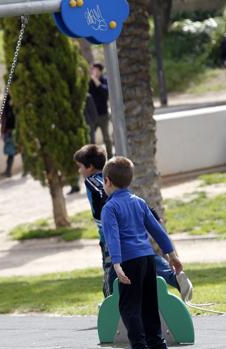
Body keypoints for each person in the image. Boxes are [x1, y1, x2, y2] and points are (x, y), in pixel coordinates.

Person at [73, 145, 192, 300]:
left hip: (110, 233)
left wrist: (110, 202)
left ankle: (111, 304)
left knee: (111, 271)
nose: (79, 171)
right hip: (132, 233)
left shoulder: (93, 181)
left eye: (80, 167)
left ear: (89, 167)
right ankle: (174, 278)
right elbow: (134, 200)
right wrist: (153, 214)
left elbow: (102, 192)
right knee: (146, 257)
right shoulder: (123, 189)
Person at [101, 156, 184, 349]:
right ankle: (157, 343)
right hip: (148, 259)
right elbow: (157, 230)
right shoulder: (139, 202)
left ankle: (139, 345)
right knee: (149, 304)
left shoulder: (109, 207)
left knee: (129, 307)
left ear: (107, 181)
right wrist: (172, 254)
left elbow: (113, 237)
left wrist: (116, 264)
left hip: (128, 261)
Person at [88, 63, 113, 159]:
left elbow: (105, 92)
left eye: (95, 70)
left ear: (100, 71)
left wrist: (95, 80)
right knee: (91, 138)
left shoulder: (104, 80)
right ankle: (93, 158)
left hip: (103, 115)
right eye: (93, 70)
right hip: (92, 116)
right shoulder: (90, 83)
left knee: (106, 138)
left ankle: (110, 157)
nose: (93, 72)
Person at [0, 95, 17, 177]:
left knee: (12, 152)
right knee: (11, 152)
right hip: (10, 131)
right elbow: (4, 119)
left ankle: (8, 171)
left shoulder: (13, 103)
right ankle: (8, 171)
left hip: (12, 131)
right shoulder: (7, 103)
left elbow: (4, 119)